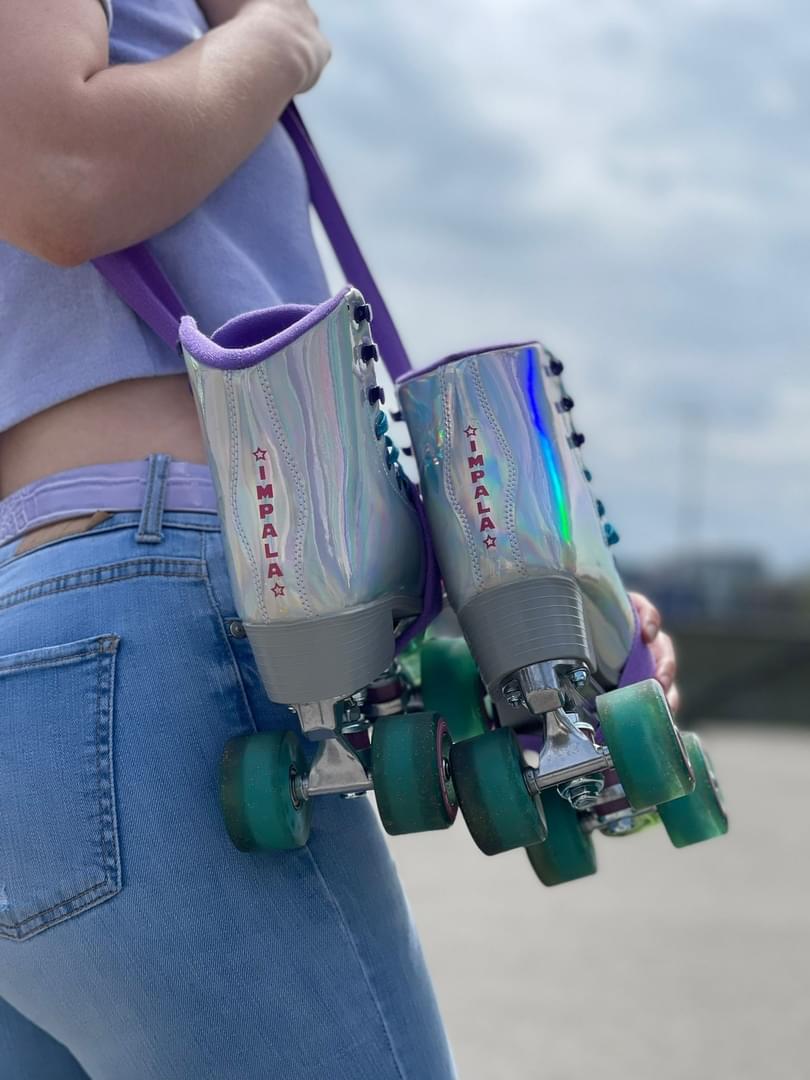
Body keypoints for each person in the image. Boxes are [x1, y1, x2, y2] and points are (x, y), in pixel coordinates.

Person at [0, 1, 680, 1077]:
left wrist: (515, 607)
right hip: (146, 619)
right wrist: (279, 39)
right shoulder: (239, 40)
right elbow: (60, 170)